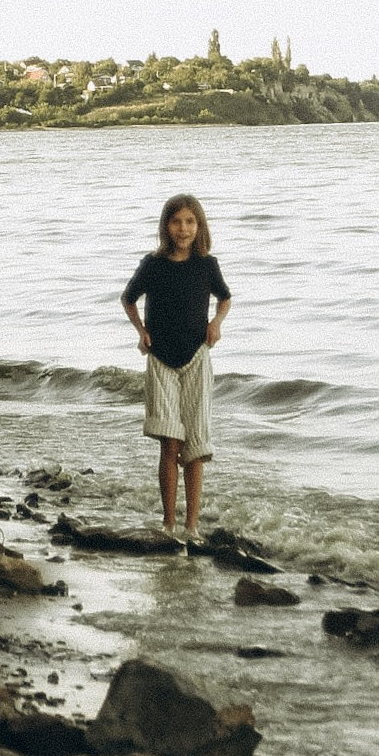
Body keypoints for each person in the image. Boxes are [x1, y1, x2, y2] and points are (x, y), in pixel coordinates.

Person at [121, 194, 231, 533]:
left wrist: (216, 324)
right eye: (176, 221)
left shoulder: (207, 265)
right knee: (170, 442)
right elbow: (128, 298)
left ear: (199, 227)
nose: (183, 229)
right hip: (161, 360)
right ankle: (168, 523)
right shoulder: (152, 265)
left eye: (190, 222)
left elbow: (225, 298)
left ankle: (191, 526)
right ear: (166, 226)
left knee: (195, 445)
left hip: (197, 357)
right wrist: (141, 331)